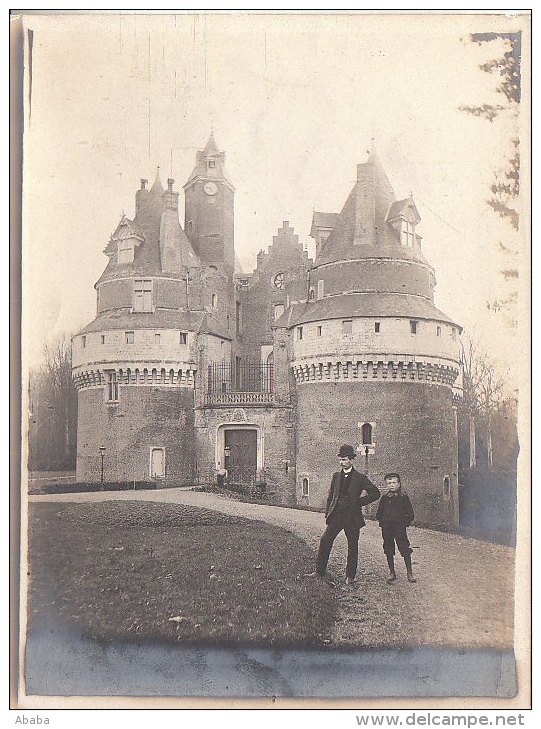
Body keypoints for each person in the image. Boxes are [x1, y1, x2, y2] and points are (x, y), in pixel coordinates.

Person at [306, 444, 381, 585]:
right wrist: (328, 513)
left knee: (352, 545)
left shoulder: (360, 478)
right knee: (325, 540)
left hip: (352, 516)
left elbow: (375, 493)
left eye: (344, 459)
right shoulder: (336, 476)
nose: (341, 462)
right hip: (337, 516)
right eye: (340, 460)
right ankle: (319, 571)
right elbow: (331, 496)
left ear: (351, 460)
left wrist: (359, 502)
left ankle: (350, 576)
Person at [376, 472, 416, 584]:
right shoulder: (384, 498)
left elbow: (411, 514)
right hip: (387, 528)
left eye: (394, 482)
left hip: (399, 528)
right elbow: (378, 514)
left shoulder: (403, 497)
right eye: (389, 483)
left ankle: (410, 573)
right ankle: (392, 572)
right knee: (388, 549)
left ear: (399, 484)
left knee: (404, 548)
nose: (391, 485)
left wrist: (404, 524)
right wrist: (383, 522)